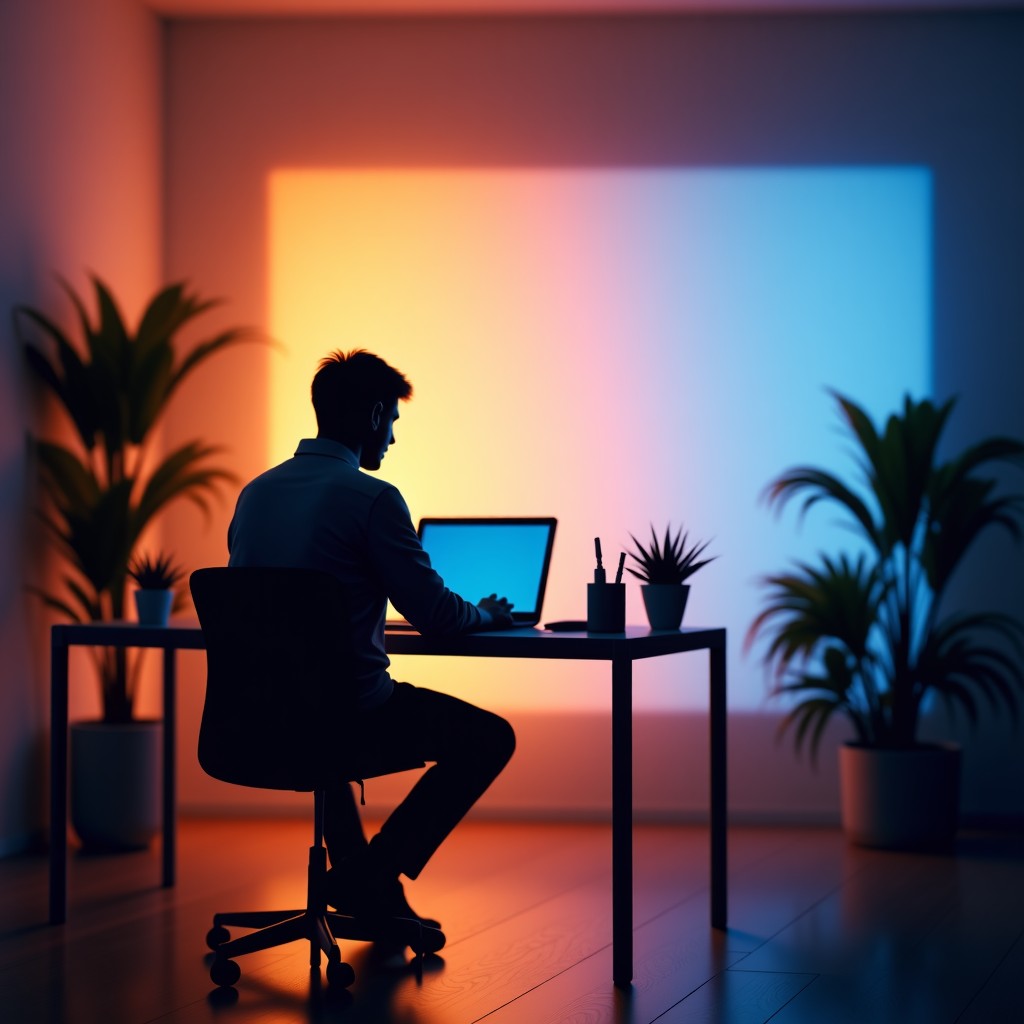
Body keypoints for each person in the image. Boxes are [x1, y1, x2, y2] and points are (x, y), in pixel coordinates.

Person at [226, 349, 517, 946]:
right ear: (375, 414)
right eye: (392, 424)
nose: (391, 439)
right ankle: (371, 874)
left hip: (257, 719)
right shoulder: (372, 498)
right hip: (344, 719)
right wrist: (486, 613)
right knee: (490, 738)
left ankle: (373, 890)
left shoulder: (256, 494)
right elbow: (435, 615)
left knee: (322, 719)